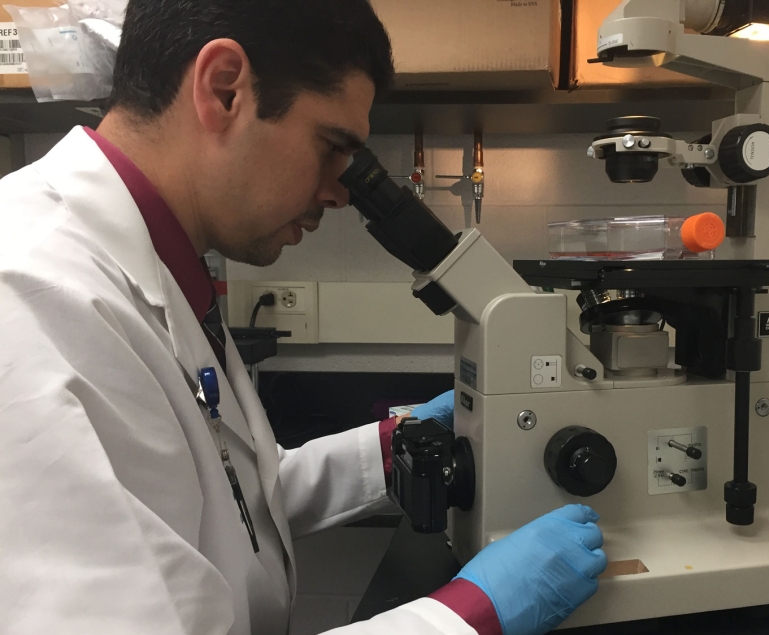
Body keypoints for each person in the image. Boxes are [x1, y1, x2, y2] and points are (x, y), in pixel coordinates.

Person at [0, 1, 607, 634]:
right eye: (331, 147)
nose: (341, 192)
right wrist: (468, 617)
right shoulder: (28, 297)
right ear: (225, 88)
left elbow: (232, 503)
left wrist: (390, 445)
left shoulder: (152, 267)